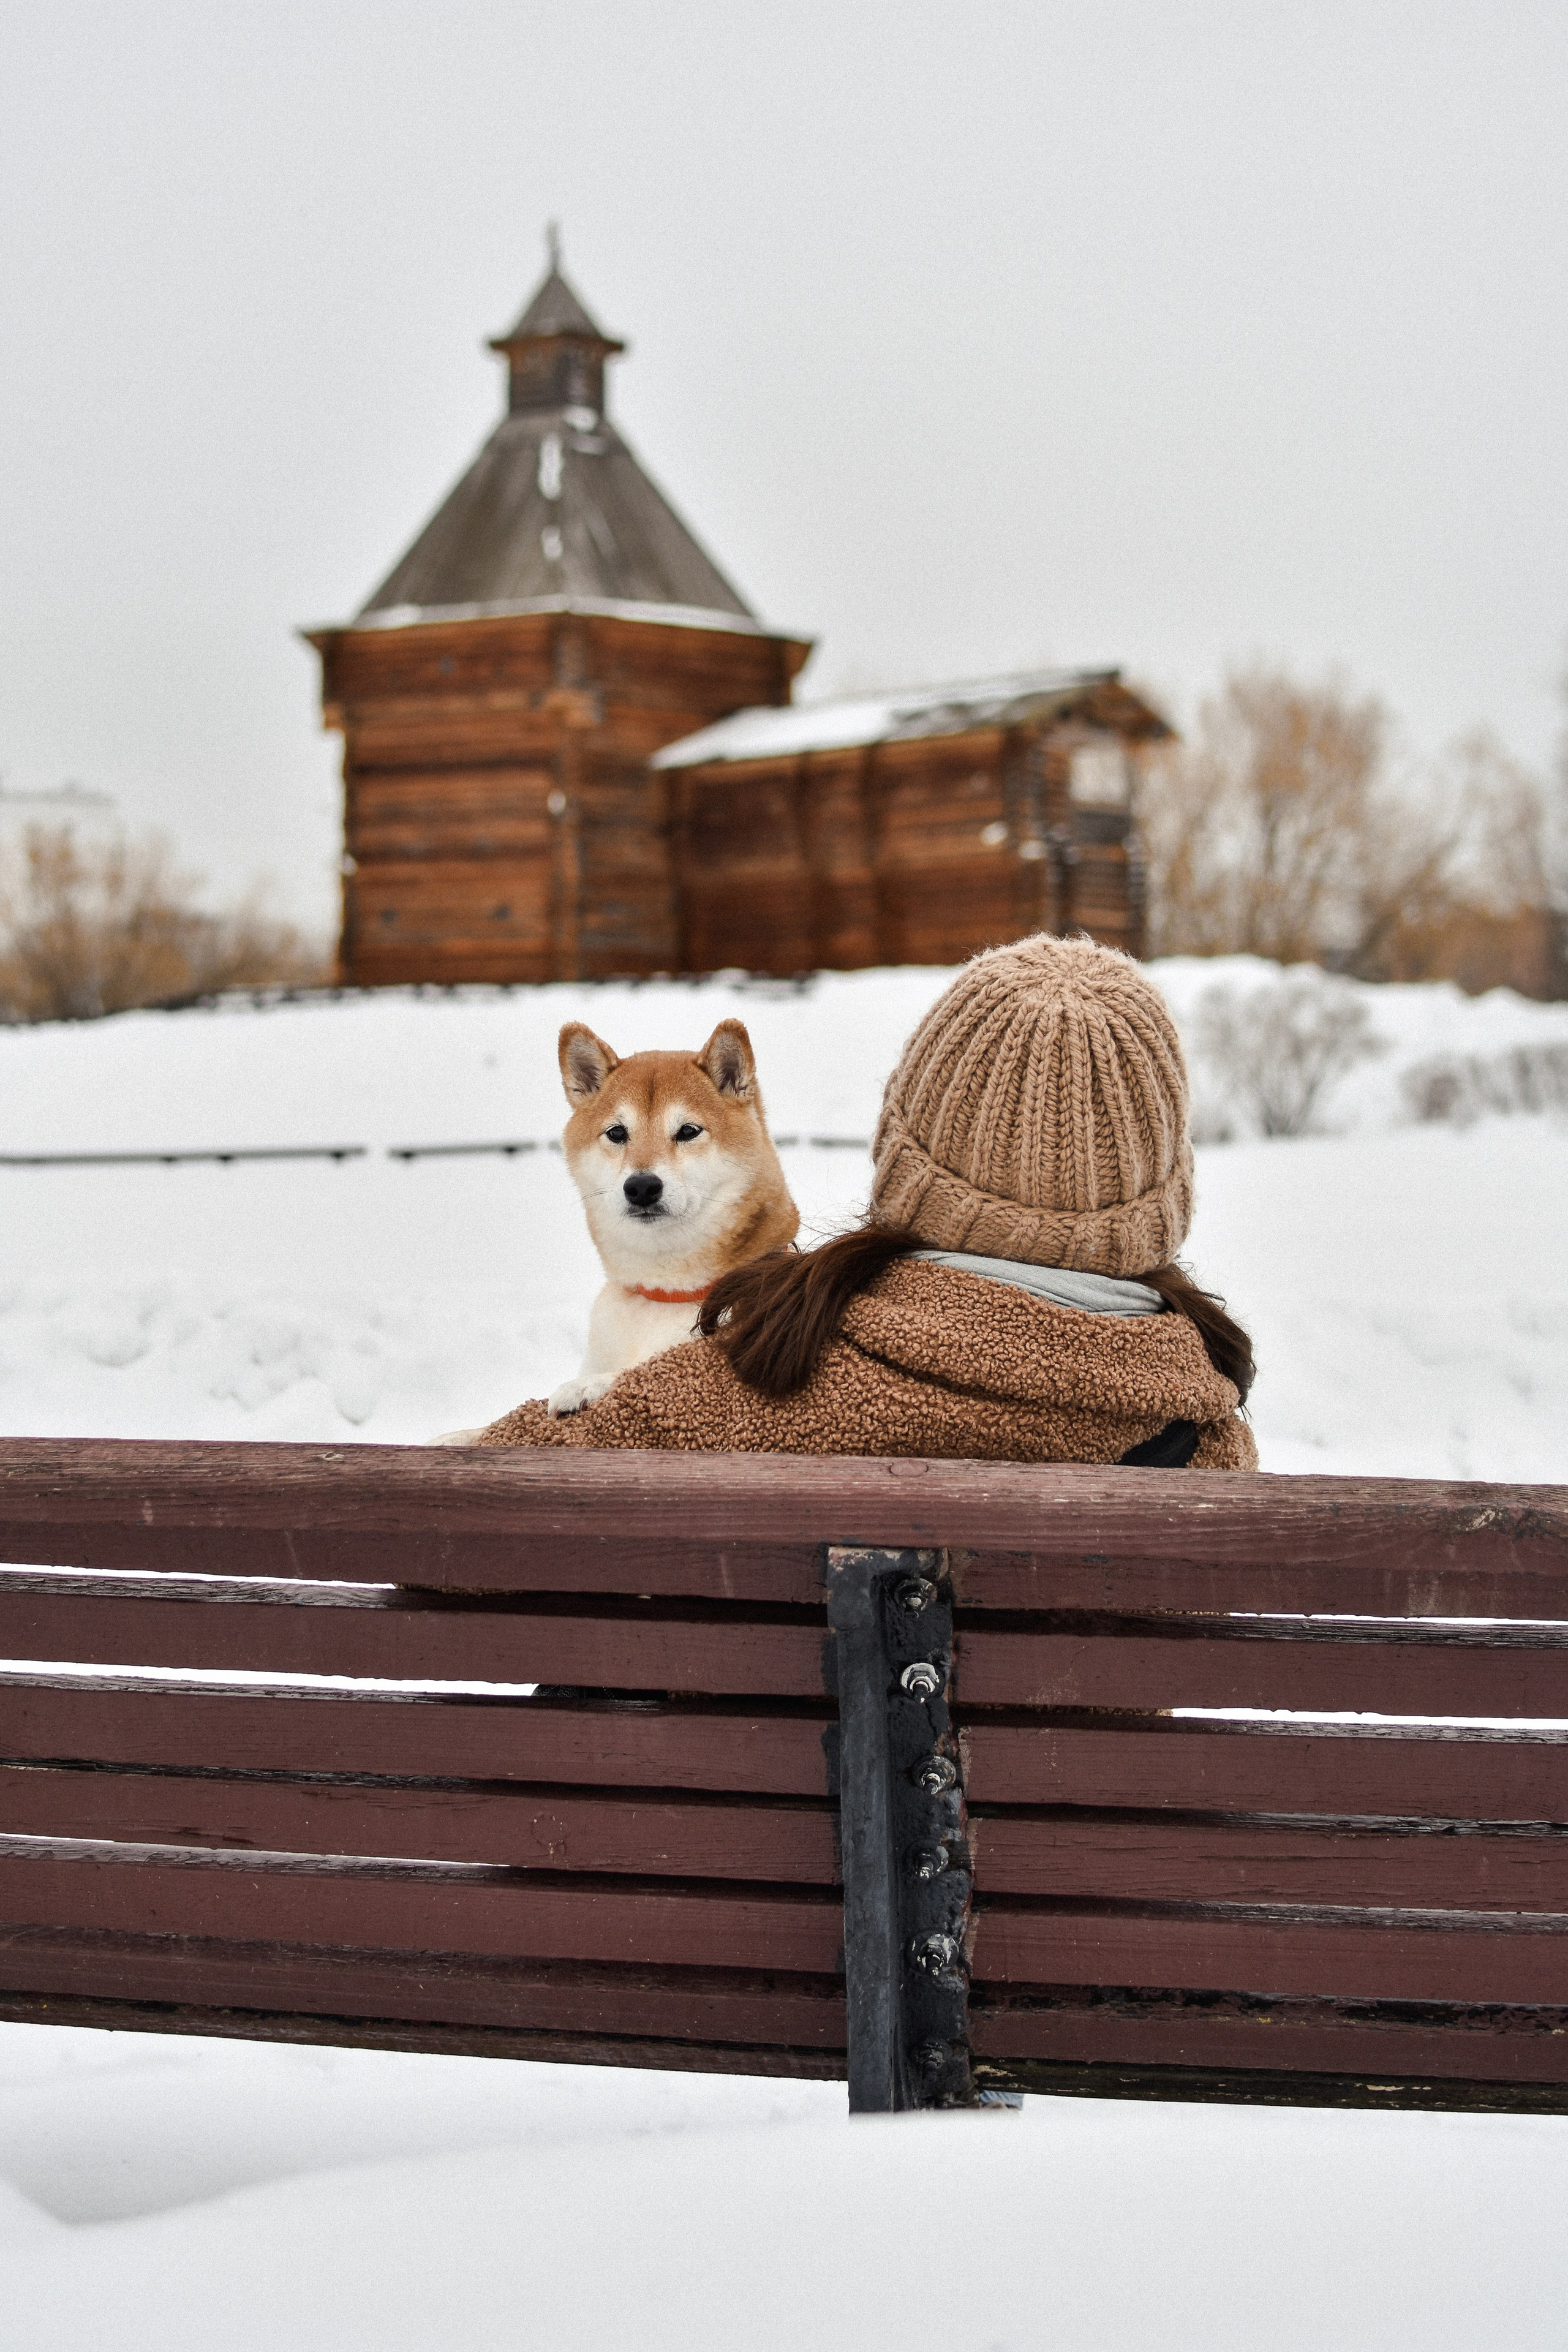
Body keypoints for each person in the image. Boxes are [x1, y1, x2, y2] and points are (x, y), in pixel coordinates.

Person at [474, 933, 1257, 1469]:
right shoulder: (1211, 1440)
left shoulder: (771, 1372)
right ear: (1160, 1185)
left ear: (906, 1152)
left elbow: (467, 1516)